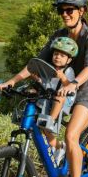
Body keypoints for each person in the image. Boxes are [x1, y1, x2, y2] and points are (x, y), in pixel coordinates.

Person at [0, 0, 88, 177]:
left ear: (82, 11)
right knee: (42, 120)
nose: (65, 14)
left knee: (71, 135)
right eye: (61, 11)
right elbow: (35, 64)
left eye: (69, 10)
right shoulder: (60, 36)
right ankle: (59, 150)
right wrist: (11, 82)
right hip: (62, 87)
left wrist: (74, 83)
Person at [34, 36, 78, 166]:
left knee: (47, 125)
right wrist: (38, 80)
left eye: (62, 55)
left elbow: (69, 86)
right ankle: (59, 147)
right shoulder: (50, 69)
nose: (57, 57)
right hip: (51, 99)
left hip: (64, 100)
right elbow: (48, 86)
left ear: (68, 59)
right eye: (56, 54)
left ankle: (51, 120)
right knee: (45, 131)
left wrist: (63, 77)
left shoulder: (68, 71)